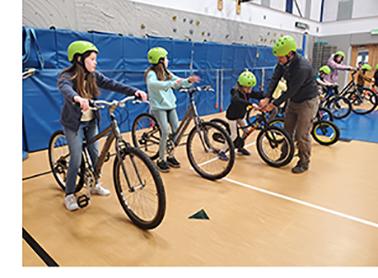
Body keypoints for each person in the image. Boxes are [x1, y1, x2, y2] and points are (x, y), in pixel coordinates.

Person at [58, 40, 147, 211]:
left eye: (95, 59)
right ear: (79, 59)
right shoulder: (67, 76)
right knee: (76, 159)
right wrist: (77, 98)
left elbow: (113, 84)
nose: (95, 62)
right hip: (74, 124)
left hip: (91, 121)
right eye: (91, 59)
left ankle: (94, 184)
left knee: (96, 155)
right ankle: (69, 194)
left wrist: (134, 91)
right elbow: (66, 89)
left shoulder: (94, 76)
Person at [259, 35, 319, 174]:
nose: (278, 60)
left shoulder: (302, 67)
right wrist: (267, 97)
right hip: (293, 100)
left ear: (290, 54)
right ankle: (285, 156)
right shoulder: (282, 63)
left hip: (307, 101)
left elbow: (292, 90)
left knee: (301, 135)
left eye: (280, 57)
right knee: (287, 131)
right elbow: (275, 79)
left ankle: (304, 162)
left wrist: (274, 104)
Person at [144, 47, 200, 173]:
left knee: (176, 131)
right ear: (160, 60)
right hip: (159, 107)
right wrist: (170, 84)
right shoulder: (151, 73)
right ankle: (161, 159)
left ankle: (170, 156)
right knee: (165, 131)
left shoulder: (166, 73)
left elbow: (177, 81)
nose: (167, 60)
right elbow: (153, 84)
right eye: (165, 58)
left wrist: (188, 81)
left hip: (170, 106)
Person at [225, 69, 263, 155]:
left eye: (251, 87)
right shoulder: (235, 91)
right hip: (232, 116)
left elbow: (258, 94)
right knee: (233, 135)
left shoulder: (247, 92)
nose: (250, 89)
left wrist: (268, 96)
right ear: (241, 86)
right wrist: (251, 104)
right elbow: (236, 100)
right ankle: (222, 152)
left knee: (247, 131)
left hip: (240, 116)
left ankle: (240, 148)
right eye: (248, 87)